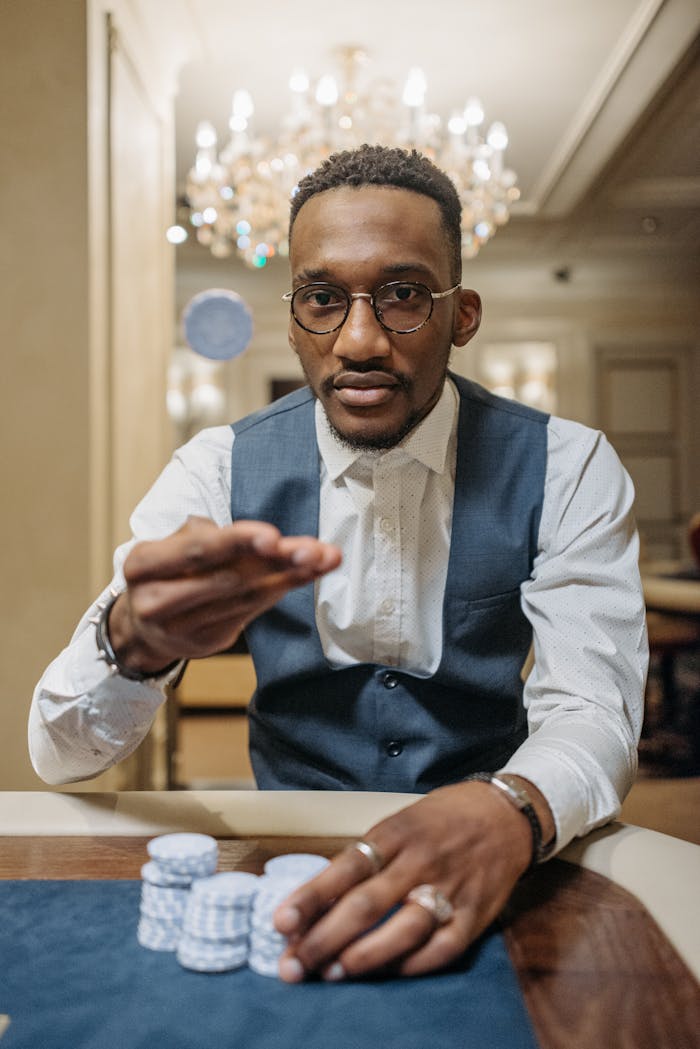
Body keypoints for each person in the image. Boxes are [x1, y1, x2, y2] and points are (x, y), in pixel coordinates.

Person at [30, 144, 647, 983]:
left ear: (461, 315)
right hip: (284, 861)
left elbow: (595, 710)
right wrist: (130, 643)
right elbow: (60, 756)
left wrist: (513, 806)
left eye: (401, 296)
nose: (359, 340)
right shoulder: (215, 468)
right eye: (323, 299)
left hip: (499, 854)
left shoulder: (570, 466)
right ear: (294, 318)